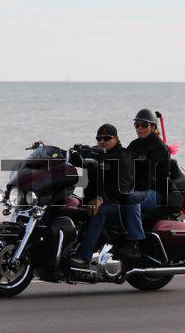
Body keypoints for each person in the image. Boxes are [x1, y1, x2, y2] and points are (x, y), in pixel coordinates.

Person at [68, 124, 136, 267]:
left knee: (99, 212)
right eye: (99, 138)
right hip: (95, 200)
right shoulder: (96, 153)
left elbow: (123, 185)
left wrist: (101, 199)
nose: (102, 141)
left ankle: (84, 257)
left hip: (117, 203)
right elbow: (75, 160)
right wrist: (68, 152)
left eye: (106, 138)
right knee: (70, 205)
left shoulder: (123, 155)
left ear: (116, 138)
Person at [121, 109, 171, 256]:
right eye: (137, 125)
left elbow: (152, 178)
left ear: (153, 126)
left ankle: (135, 241)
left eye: (144, 125)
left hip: (155, 193)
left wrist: (131, 189)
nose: (140, 128)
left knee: (132, 198)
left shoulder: (160, 148)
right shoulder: (134, 145)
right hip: (137, 189)